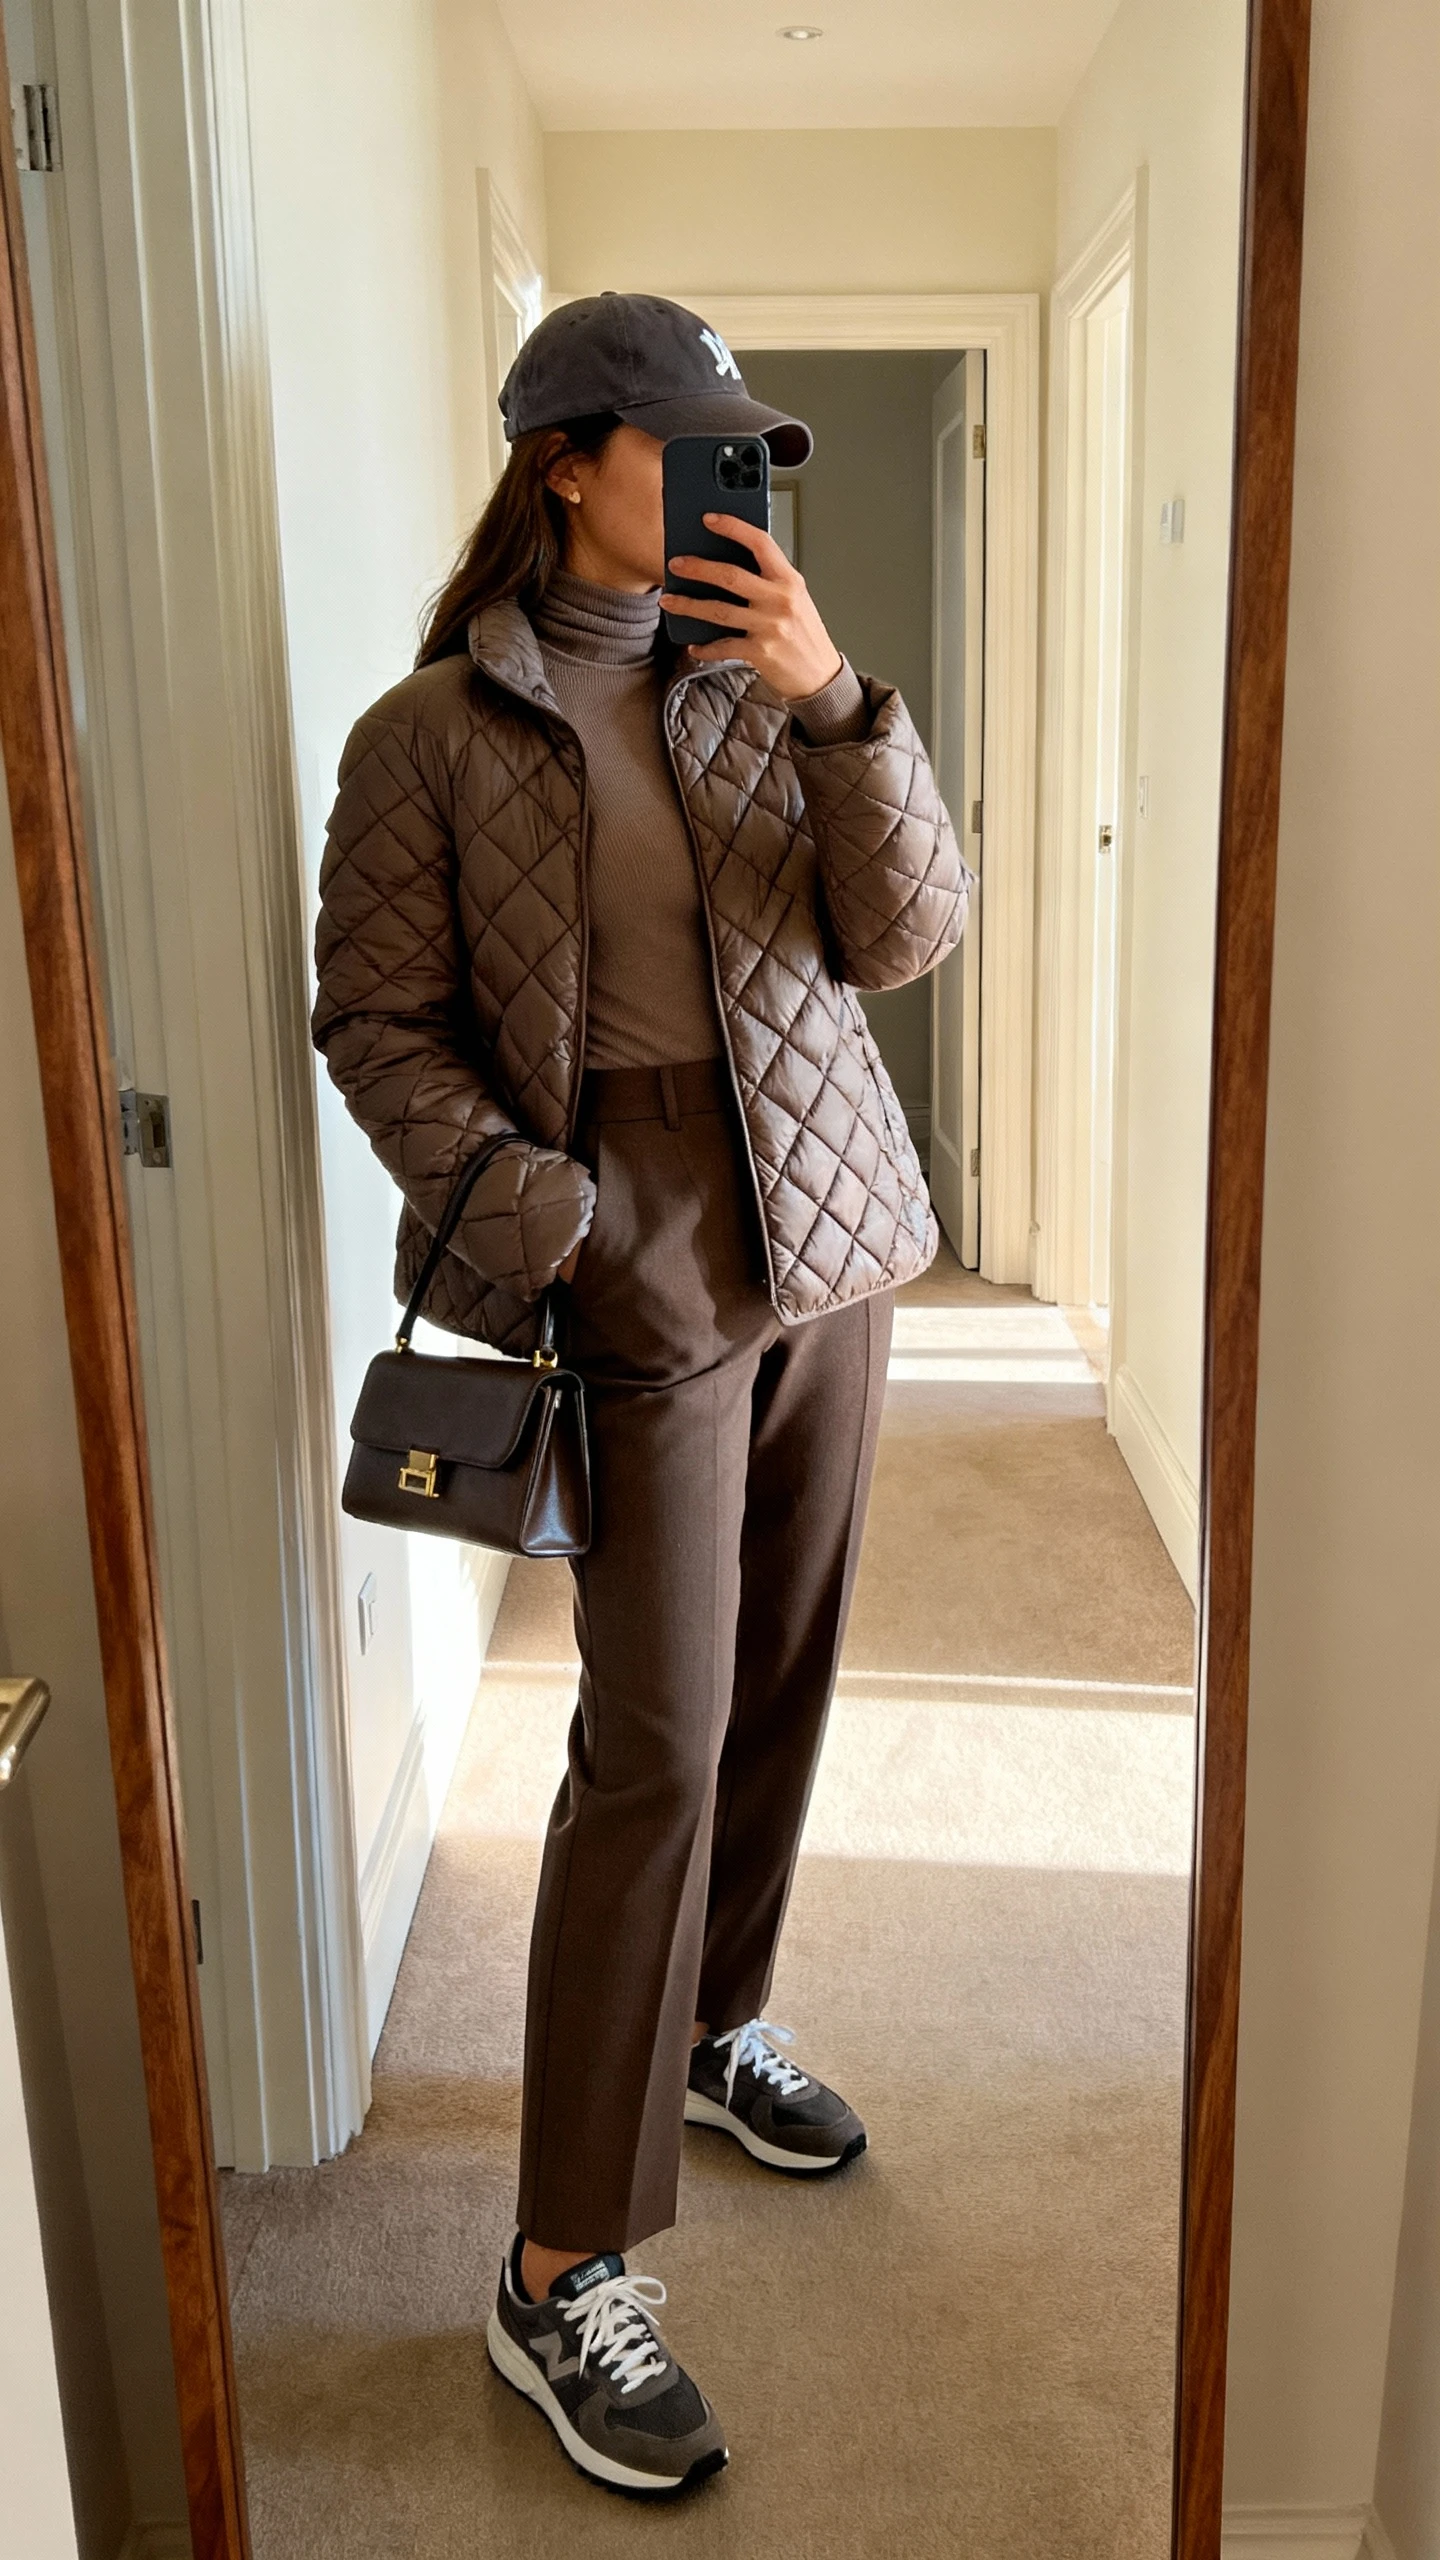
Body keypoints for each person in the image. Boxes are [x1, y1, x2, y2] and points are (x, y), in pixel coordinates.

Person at [312, 291, 967, 2495]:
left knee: (779, 1674)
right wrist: (534, 1206)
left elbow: (910, 936)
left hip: (832, 1231)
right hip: (634, 1242)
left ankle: (715, 2022)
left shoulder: (766, 678)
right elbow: (374, 1020)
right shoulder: (430, 733)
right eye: (689, 450)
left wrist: (841, 702)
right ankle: (554, 2258)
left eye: (740, 457)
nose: (729, 490)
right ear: (570, 457)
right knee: (652, 1739)